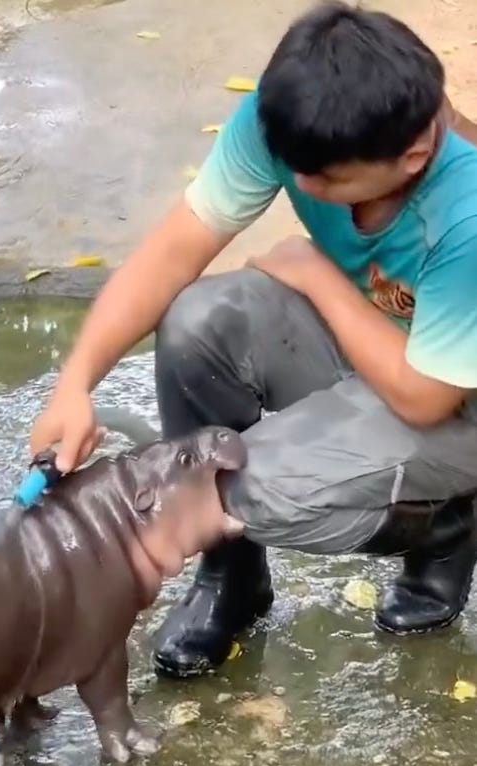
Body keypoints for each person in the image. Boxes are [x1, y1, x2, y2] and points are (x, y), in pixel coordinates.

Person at [30, 2, 477, 678]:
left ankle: (446, 521)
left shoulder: (466, 208)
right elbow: (173, 251)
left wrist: (317, 275)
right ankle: (232, 581)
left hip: (453, 393)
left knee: (242, 488)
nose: (301, 185)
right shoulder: (295, 121)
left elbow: (424, 397)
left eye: (324, 177)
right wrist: (75, 385)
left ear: (414, 153)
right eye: (292, 164)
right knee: (198, 321)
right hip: (386, 343)